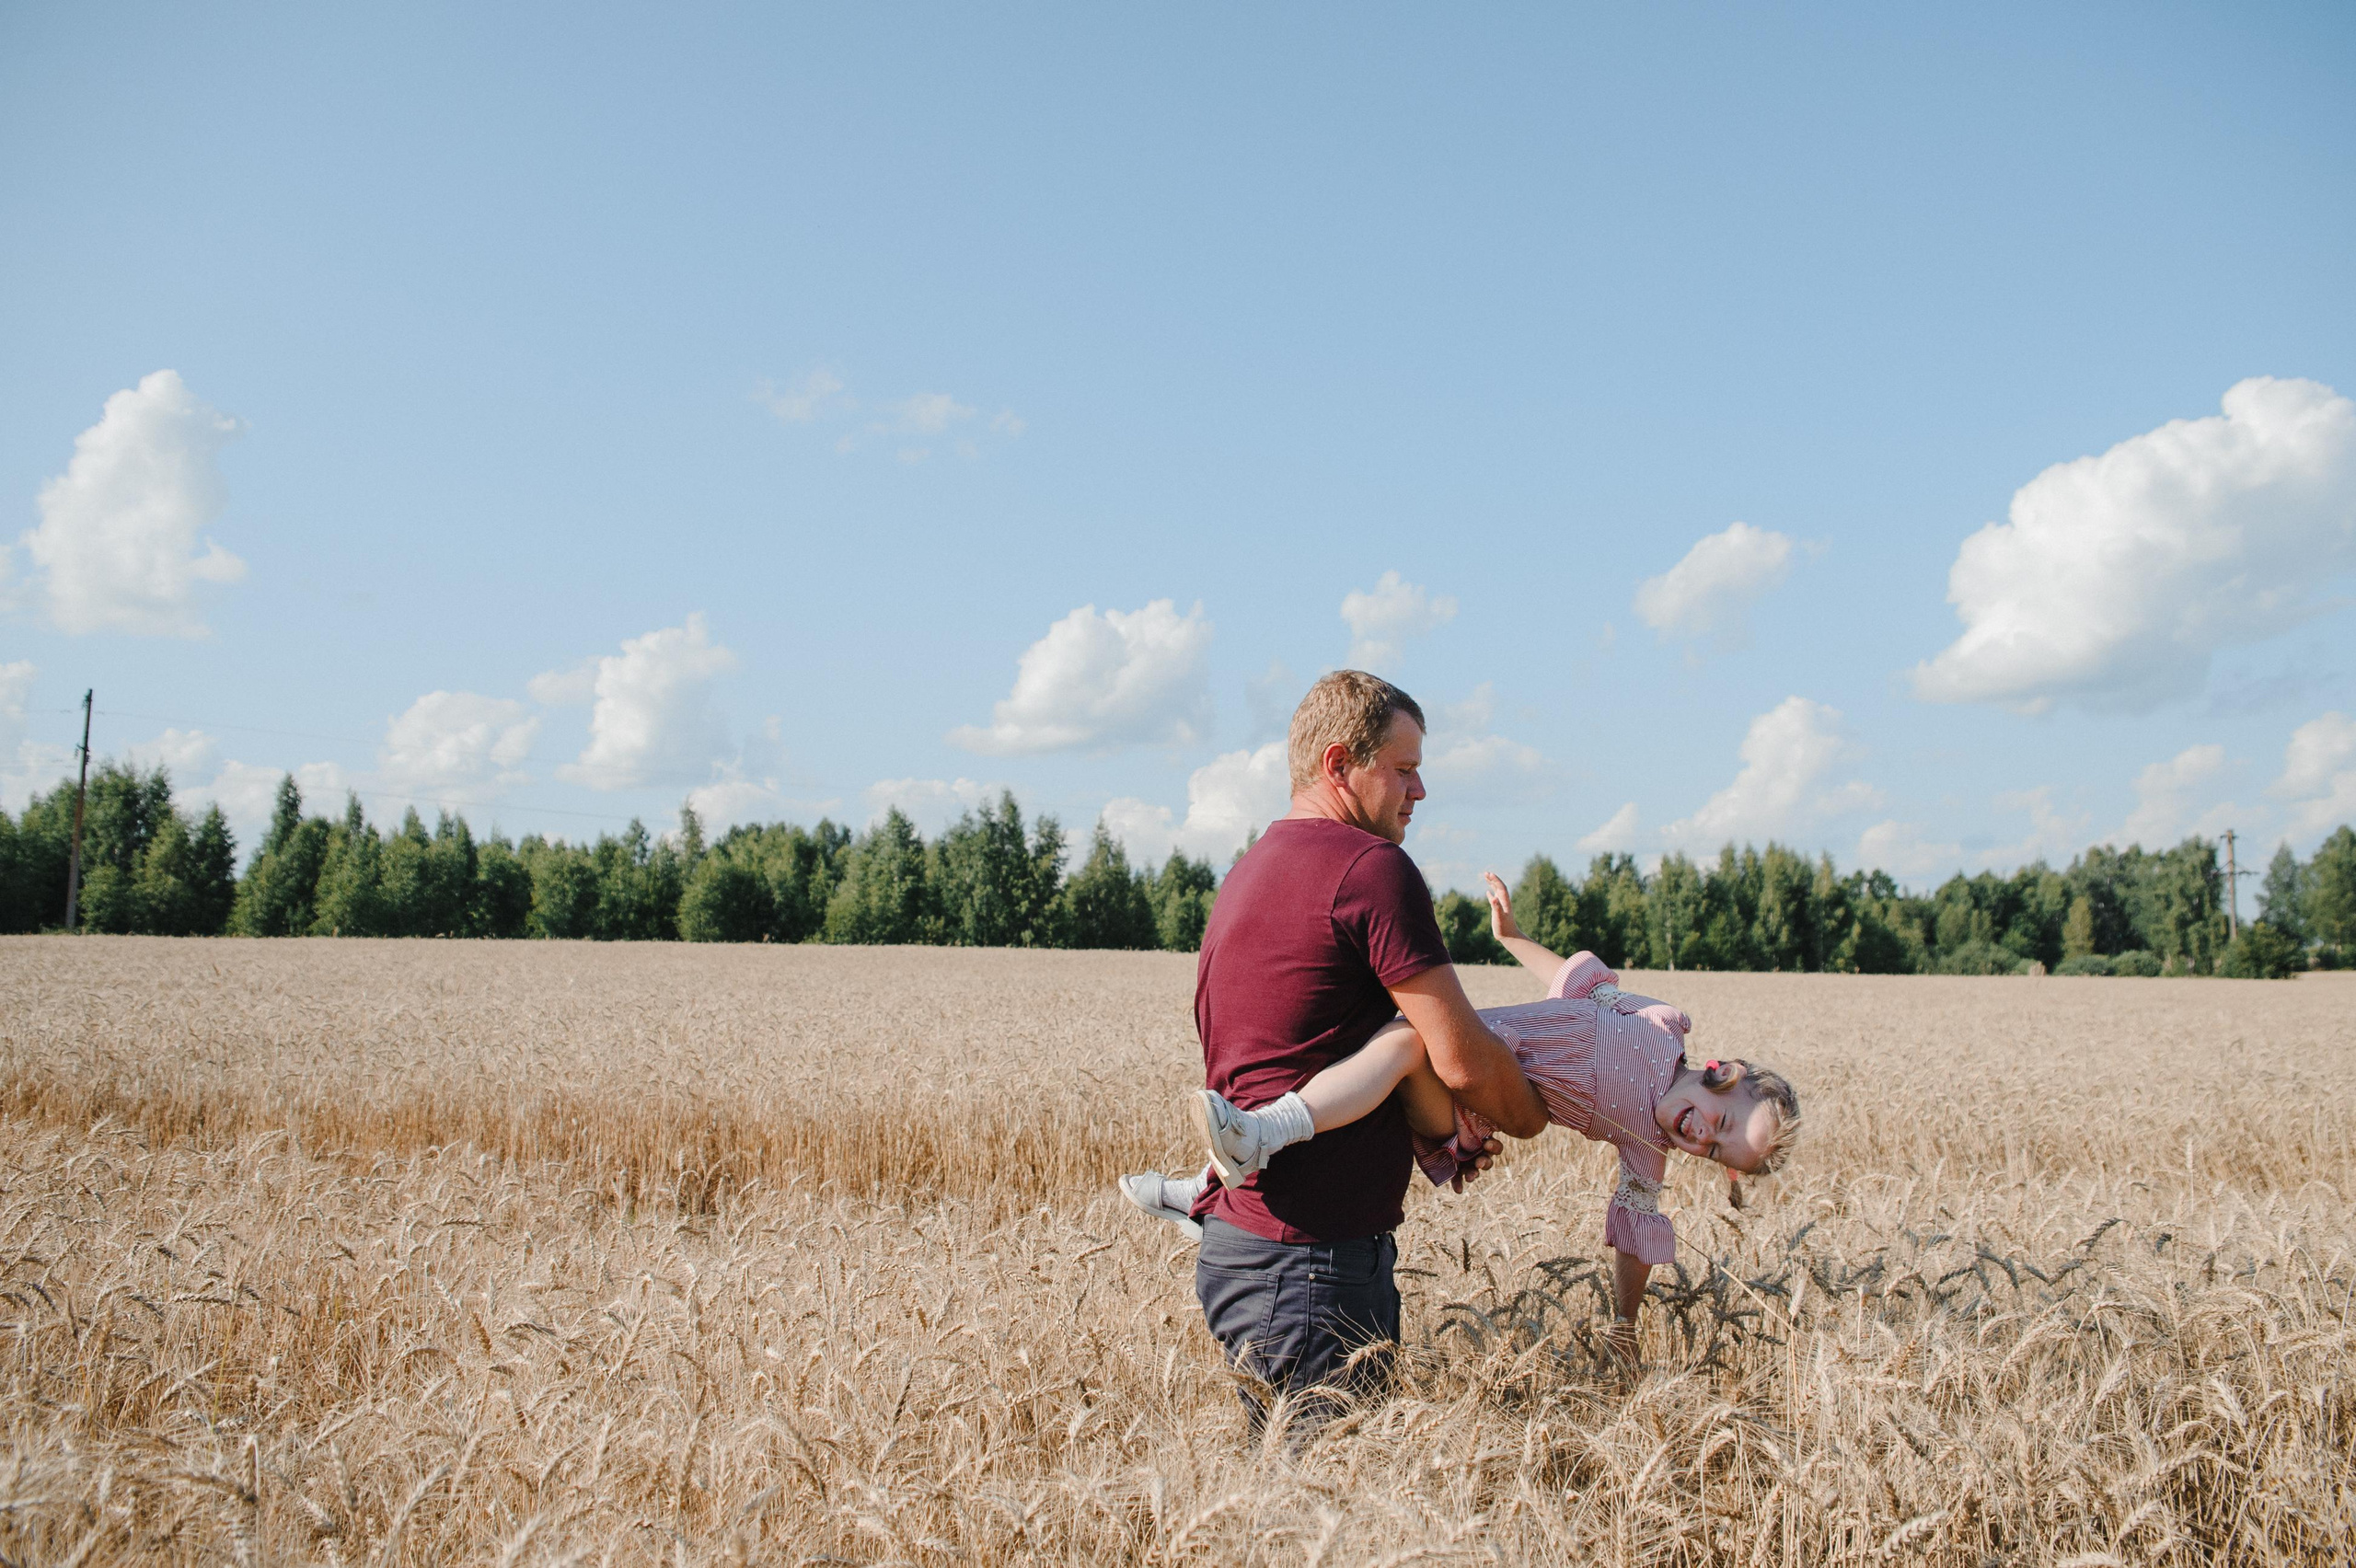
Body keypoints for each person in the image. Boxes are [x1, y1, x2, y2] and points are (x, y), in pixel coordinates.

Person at [1192, 869, 1801, 1359]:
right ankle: (1206, 1190)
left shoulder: (1646, 1146)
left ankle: (1263, 1131)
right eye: (1719, 1124)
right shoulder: (1658, 1023)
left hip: (1464, 1106)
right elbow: (1577, 983)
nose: (1700, 1138)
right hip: (1469, 1053)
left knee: (1403, 1043)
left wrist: (1624, 1327)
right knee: (1366, 1054)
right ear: (1721, 1073)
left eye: (1715, 1152)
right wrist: (1510, 935)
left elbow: (1636, 1242)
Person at [1178, 670, 1548, 1437]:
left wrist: (1432, 1129)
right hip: (1313, 1264)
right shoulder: (1369, 869)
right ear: (1339, 764)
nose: (1420, 791)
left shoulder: (1247, 873)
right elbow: (1459, 1055)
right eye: (1404, 769)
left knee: (1285, 1512)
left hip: (1245, 1248)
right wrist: (1533, 1113)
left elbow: (1313, 1044)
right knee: (1327, 1515)